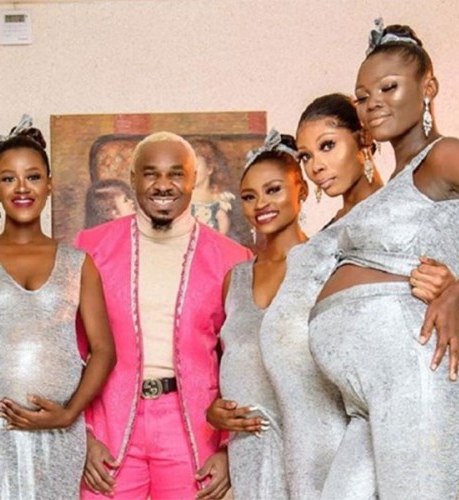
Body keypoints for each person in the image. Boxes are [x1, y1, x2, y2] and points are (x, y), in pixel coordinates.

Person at [307, 20, 459, 498]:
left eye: (388, 87)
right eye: (363, 97)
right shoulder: (395, 181)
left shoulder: (445, 156)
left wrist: (457, 295)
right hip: (369, 390)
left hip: (412, 371)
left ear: (428, 88)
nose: (373, 104)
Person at [76, 131, 252, 499]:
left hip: (193, 429)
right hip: (109, 423)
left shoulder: (232, 258)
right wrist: (84, 434)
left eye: (176, 174)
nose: (163, 185)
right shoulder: (91, 248)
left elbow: (239, 359)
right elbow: (72, 348)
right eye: (151, 173)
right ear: (133, 178)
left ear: (193, 178)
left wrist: (227, 447)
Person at [0, 118, 115, 498]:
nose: (22, 188)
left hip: (60, 425)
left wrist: (69, 412)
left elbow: (104, 350)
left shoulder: (78, 263)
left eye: (33, 177)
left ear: (49, 184)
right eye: (9, 178)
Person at [205, 130, 306, 500]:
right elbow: (228, 361)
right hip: (248, 450)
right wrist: (216, 414)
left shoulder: (328, 265)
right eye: (249, 196)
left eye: (273, 190)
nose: (261, 203)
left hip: (309, 445)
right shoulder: (235, 278)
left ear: (301, 191)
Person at [189, 138, 233, 234]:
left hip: (211, 239)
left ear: (209, 169)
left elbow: (223, 221)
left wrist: (220, 238)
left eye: (195, 166)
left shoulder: (217, 197)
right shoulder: (184, 196)